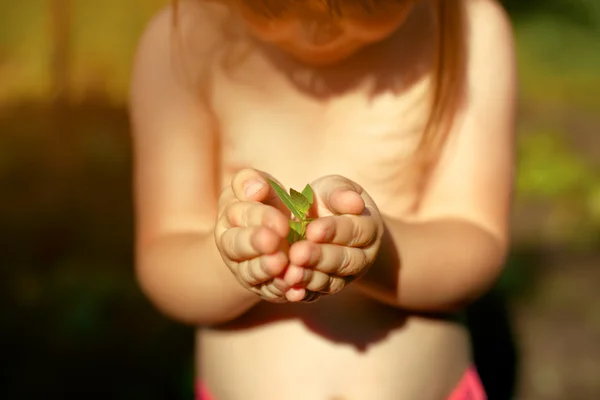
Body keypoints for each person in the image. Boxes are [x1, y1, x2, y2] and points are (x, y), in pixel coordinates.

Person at [129, 0, 516, 398]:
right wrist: (233, 260)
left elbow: (477, 242)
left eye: (367, 7)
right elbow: (164, 258)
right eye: (271, 9)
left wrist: (377, 254)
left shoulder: (468, 31)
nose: (317, 31)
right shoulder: (184, 43)